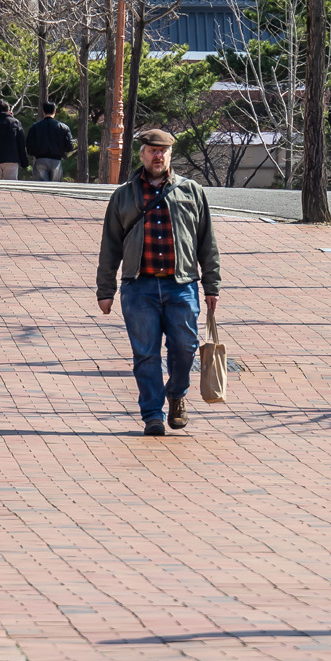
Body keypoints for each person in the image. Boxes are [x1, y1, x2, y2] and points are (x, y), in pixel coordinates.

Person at [96, 129, 221, 437]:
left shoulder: (191, 191)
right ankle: (152, 413)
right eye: (151, 150)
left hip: (182, 285)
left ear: (170, 155)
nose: (157, 155)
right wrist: (105, 290)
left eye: (162, 151)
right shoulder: (124, 195)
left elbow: (207, 242)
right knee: (146, 354)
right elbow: (110, 246)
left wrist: (212, 285)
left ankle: (176, 394)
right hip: (139, 288)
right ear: (142, 154)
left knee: (185, 347)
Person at [25, 102, 75, 182]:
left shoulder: (34, 127)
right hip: (56, 160)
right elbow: (70, 146)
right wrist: (62, 151)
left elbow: (29, 146)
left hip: (40, 159)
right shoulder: (64, 127)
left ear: (43, 111)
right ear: (54, 111)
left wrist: (35, 153)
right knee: (55, 188)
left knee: (41, 187)